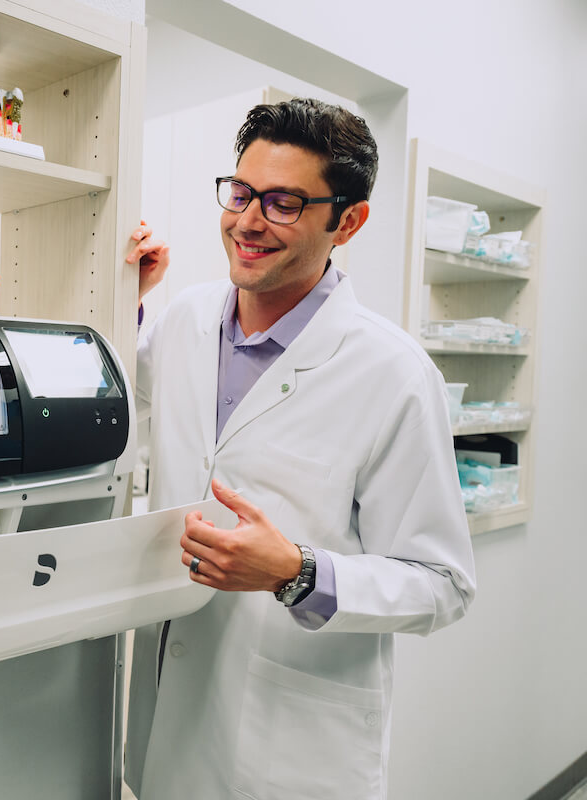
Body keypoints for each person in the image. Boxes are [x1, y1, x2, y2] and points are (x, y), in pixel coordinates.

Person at [122, 98, 476, 799]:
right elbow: (120, 429)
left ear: (348, 220)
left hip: (291, 752)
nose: (248, 220)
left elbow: (444, 584)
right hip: (165, 715)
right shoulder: (182, 321)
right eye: (243, 192)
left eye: (284, 202)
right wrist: (119, 300)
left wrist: (297, 572)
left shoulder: (394, 375)